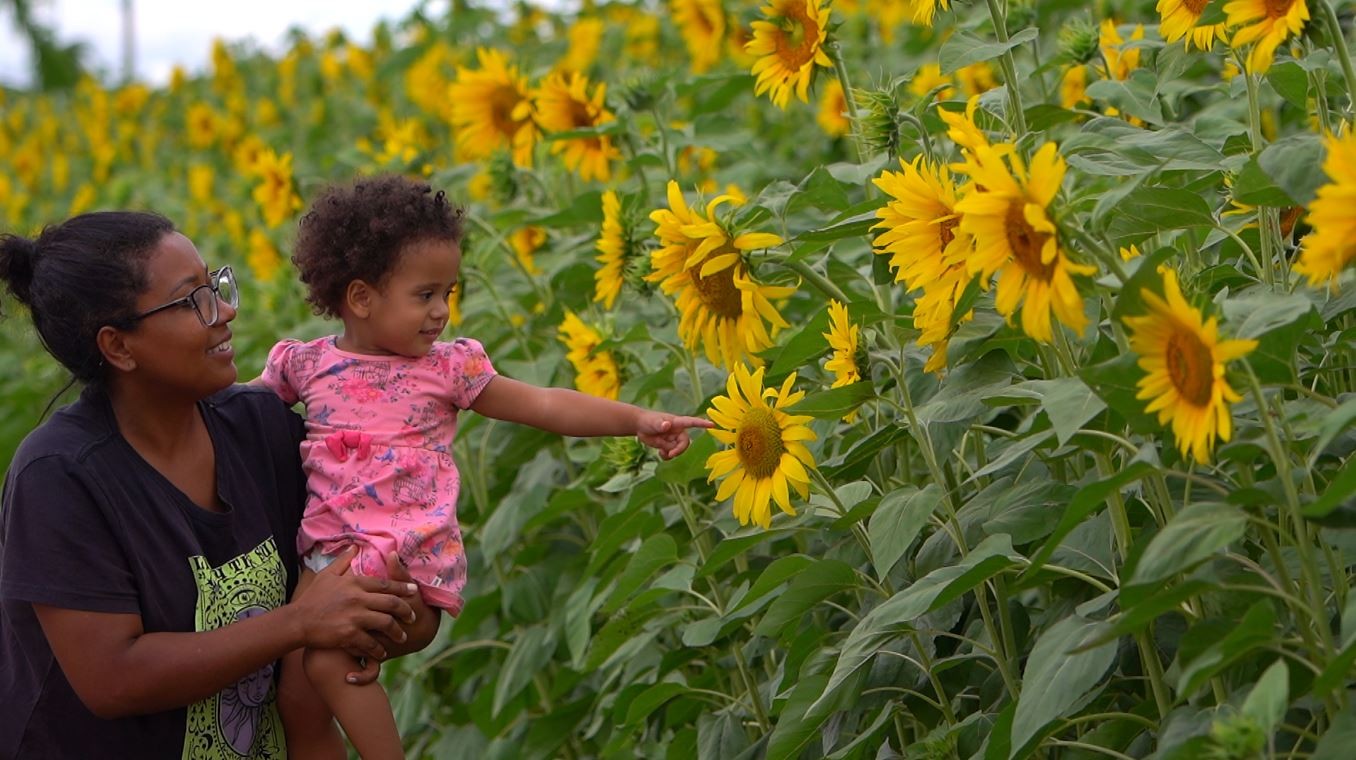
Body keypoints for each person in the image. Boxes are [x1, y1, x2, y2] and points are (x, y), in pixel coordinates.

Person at [254, 175, 712, 759]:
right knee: (296, 696)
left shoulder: (448, 369)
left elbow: (544, 404)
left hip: (405, 572)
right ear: (362, 298)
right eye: (425, 295)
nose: (442, 311)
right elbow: (236, 411)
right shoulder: (306, 364)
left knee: (325, 658)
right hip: (327, 567)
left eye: (449, 292)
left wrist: (637, 418)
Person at [0, 211, 439, 759]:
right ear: (118, 347)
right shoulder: (61, 476)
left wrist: (387, 610)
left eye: (216, 285)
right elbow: (112, 679)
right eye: (193, 301)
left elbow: (370, 596)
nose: (225, 310)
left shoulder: (263, 428)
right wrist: (302, 622)